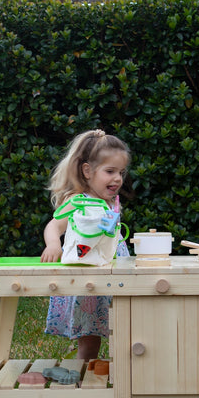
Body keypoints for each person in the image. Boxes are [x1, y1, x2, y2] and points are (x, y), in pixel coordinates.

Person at [41, 129, 131, 360]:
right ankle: (82, 376)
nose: (118, 178)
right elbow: (53, 226)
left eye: (121, 172)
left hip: (113, 271)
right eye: (110, 171)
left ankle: (119, 373)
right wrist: (53, 245)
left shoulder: (110, 202)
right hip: (88, 278)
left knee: (124, 326)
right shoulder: (77, 201)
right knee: (90, 335)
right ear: (88, 171)